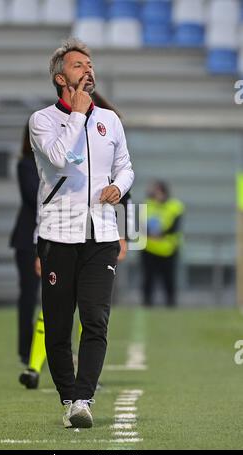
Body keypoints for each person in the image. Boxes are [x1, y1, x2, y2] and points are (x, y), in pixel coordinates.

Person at [29, 38, 134, 428]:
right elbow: (59, 159)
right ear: (61, 77)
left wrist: (119, 188)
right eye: (78, 66)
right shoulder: (41, 120)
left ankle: (82, 400)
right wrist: (77, 115)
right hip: (57, 236)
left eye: (90, 64)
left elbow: (126, 167)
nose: (88, 70)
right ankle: (68, 395)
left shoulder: (111, 121)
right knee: (58, 327)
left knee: (95, 320)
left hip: (101, 236)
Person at [10, 124, 40, 365]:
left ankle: (53, 347)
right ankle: (26, 350)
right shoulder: (26, 164)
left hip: (54, 235)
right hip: (28, 238)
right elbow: (34, 196)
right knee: (28, 295)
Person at [140, 180, 184, 307]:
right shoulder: (147, 204)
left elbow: (176, 226)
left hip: (168, 249)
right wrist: (151, 233)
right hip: (149, 248)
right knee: (148, 278)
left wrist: (161, 234)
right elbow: (141, 224)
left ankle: (171, 303)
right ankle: (147, 302)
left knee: (169, 279)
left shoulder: (175, 206)